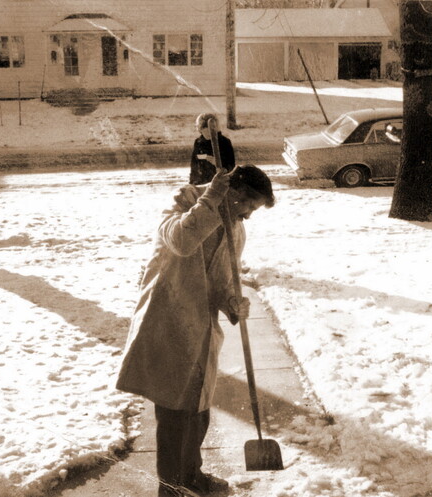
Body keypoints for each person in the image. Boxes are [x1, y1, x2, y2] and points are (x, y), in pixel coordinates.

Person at [116, 165, 275, 497]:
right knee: (174, 412)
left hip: (199, 327)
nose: (247, 214)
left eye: (253, 208)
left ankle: (191, 475)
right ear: (231, 190)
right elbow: (182, 241)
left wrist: (232, 302)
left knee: (198, 411)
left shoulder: (236, 228)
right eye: (247, 203)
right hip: (166, 321)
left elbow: (223, 280)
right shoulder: (183, 203)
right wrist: (211, 199)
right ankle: (171, 489)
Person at [189, 113, 235, 185]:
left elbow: (231, 166)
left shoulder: (225, 142)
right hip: (203, 181)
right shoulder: (198, 142)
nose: (209, 135)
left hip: (220, 181)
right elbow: (194, 166)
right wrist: (192, 182)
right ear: (200, 130)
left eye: (211, 133)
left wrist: (219, 164)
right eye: (206, 132)